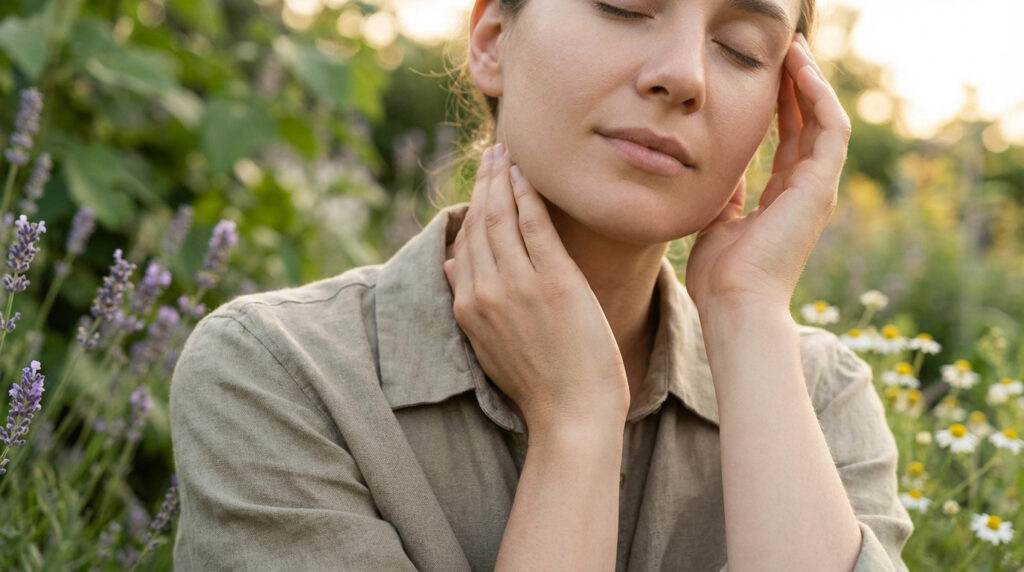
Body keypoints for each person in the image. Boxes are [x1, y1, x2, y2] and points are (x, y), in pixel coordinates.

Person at [169, 0, 914, 569]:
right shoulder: (278, 373)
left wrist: (748, 309)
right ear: (493, 40)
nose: (684, 74)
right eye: (625, 5)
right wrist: (577, 422)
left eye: (741, 48)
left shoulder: (819, 398)